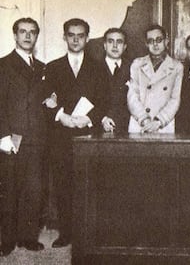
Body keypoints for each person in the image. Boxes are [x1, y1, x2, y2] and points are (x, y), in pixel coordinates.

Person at [44, 18, 108, 247]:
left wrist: (87, 118)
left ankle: (88, 234)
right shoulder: (52, 67)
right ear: (64, 37)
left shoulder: (99, 67)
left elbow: (104, 101)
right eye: (71, 35)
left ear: (87, 38)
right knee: (63, 185)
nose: (75, 39)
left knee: (89, 184)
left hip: (88, 136)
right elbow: (46, 99)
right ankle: (67, 234)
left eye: (80, 35)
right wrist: (63, 117)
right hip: (61, 135)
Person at [0, 18, 47, 255]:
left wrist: (52, 102)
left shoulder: (41, 67)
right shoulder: (3, 65)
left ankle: (27, 237)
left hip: (36, 139)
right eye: (23, 32)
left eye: (32, 32)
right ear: (15, 35)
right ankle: (6, 240)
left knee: (33, 190)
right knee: (9, 190)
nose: (27, 36)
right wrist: (3, 135)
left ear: (37, 36)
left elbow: (42, 102)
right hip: (12, 138)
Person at [127, 24, 183, 133]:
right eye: (151, 41)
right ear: (146, 44)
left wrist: (159, 121)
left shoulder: (176, 67)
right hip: (140, 124)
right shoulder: (137, 64)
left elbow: (175, 99)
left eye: (159, 40)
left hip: (163, 125)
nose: (155, 44)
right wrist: (144, 120)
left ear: (166, 41)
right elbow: (132, 96)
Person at [101, 28, 131, 134]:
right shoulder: (93, 68)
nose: (114, 46)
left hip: (127, 128)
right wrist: (102, 119)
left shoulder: (133, 68)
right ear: (104, 45)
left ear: (125, 46)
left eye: (119, 42)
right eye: (110, 41)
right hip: (99, 127)